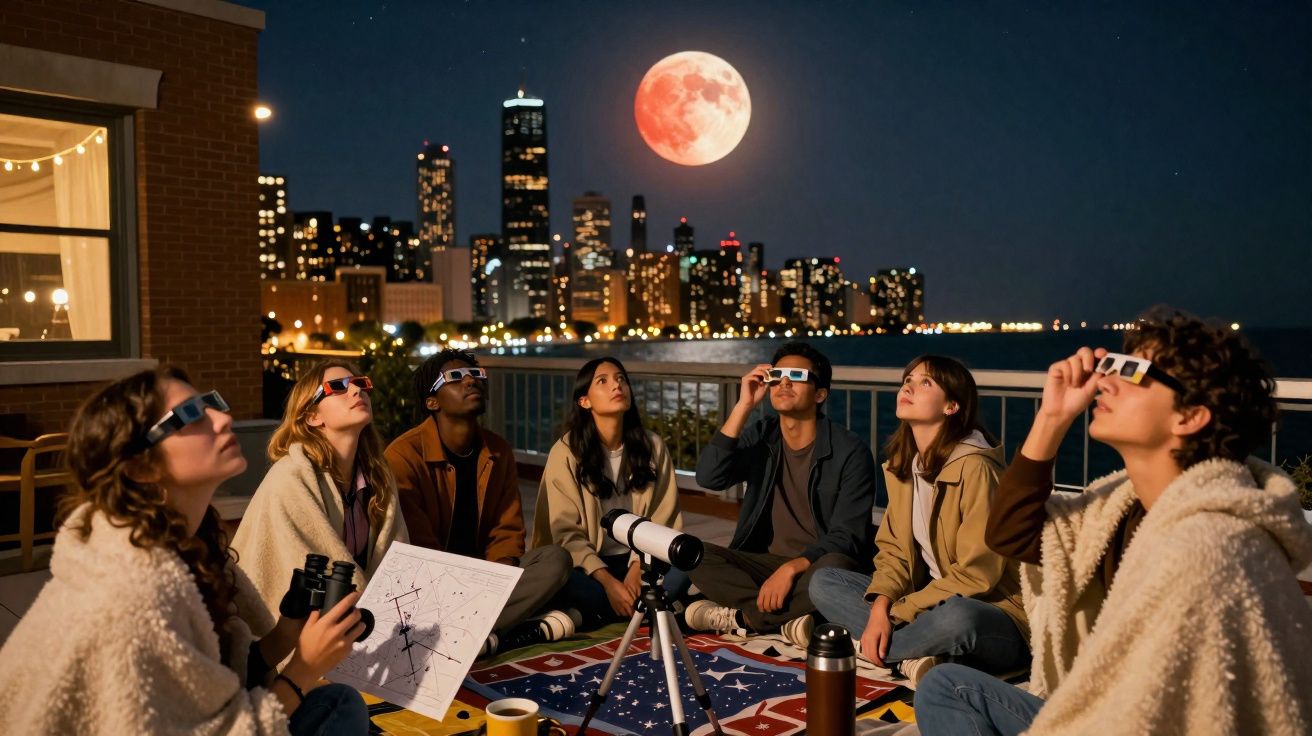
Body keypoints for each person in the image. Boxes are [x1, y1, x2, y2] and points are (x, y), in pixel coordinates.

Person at [915, 310, 1312, 735]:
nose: (1104, 382)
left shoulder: (1210, 548)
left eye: (1135, 373)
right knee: (944, 684)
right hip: (1104, 710)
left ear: (1190, 416)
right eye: (1113, 367)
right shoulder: (1123, 511)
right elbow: (1010, 533)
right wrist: (1053, 416)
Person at [0, 367, 369, 734]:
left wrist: (284, 638)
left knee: (339, 702)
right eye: (190, 415)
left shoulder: (194, 547)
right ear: (141, 467)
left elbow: (218, 680)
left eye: (210, 404)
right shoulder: (132, 597)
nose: (223, 418)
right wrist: (302, 668)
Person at [808, 355, 1028, 683]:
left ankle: (871, 645)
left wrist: (897, 611)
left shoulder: (976, 469)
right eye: (908, 379)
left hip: (996, 614)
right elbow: (894, 553)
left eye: (925, 382)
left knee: (957, 618)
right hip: (929, 601)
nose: (908, 386)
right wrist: (882, 605)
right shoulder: (905, 467)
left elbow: (977, 576)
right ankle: (913, 653)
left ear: (952, 406)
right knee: (824, 582)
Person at [386, 349, 575, 656]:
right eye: (455, 377)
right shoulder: (403, 456)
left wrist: (495, 581)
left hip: (483, 579)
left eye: (475, 375)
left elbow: (507, 531)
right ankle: (504, 627)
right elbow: (416, 552)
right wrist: (462, 588)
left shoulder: (497, 450)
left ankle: (463, 633)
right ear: (431, 402)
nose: (470, 381)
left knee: (556, 560)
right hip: (430, 587)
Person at [684, 341, 874, 642]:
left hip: (816, 564)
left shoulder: (850, 451)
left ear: (820, 394)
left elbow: (848, 535)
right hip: (763, 560)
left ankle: (744, 617)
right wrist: (744, 405)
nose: (784, 382)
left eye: (797, 376)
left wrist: (791, 568)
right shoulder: (763, 435)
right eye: (777, 375)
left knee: (833, 571)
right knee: (694, 554)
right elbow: (710, 477)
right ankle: (784, 618)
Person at [232, 359, 407, 619]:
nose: (356, 391)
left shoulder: (378, 476)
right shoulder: (290, 477)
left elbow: (396, 558)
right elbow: (296, 568)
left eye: (360, 384)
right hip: (293, 628)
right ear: (313, 417)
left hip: (359, 622)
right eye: (337, 387)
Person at [533, 357, 684, 629]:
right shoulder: (566, 452)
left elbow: (664, 517)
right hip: (590, 567)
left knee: (690, 562)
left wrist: (638, 569)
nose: (616, 385)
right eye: (602, 381)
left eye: (621, 379)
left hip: (641, 561)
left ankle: (585, 616)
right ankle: (651, 609)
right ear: (584, 401)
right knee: (559, 575)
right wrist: (608, 582)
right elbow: (565, 533)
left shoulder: (652, 447)